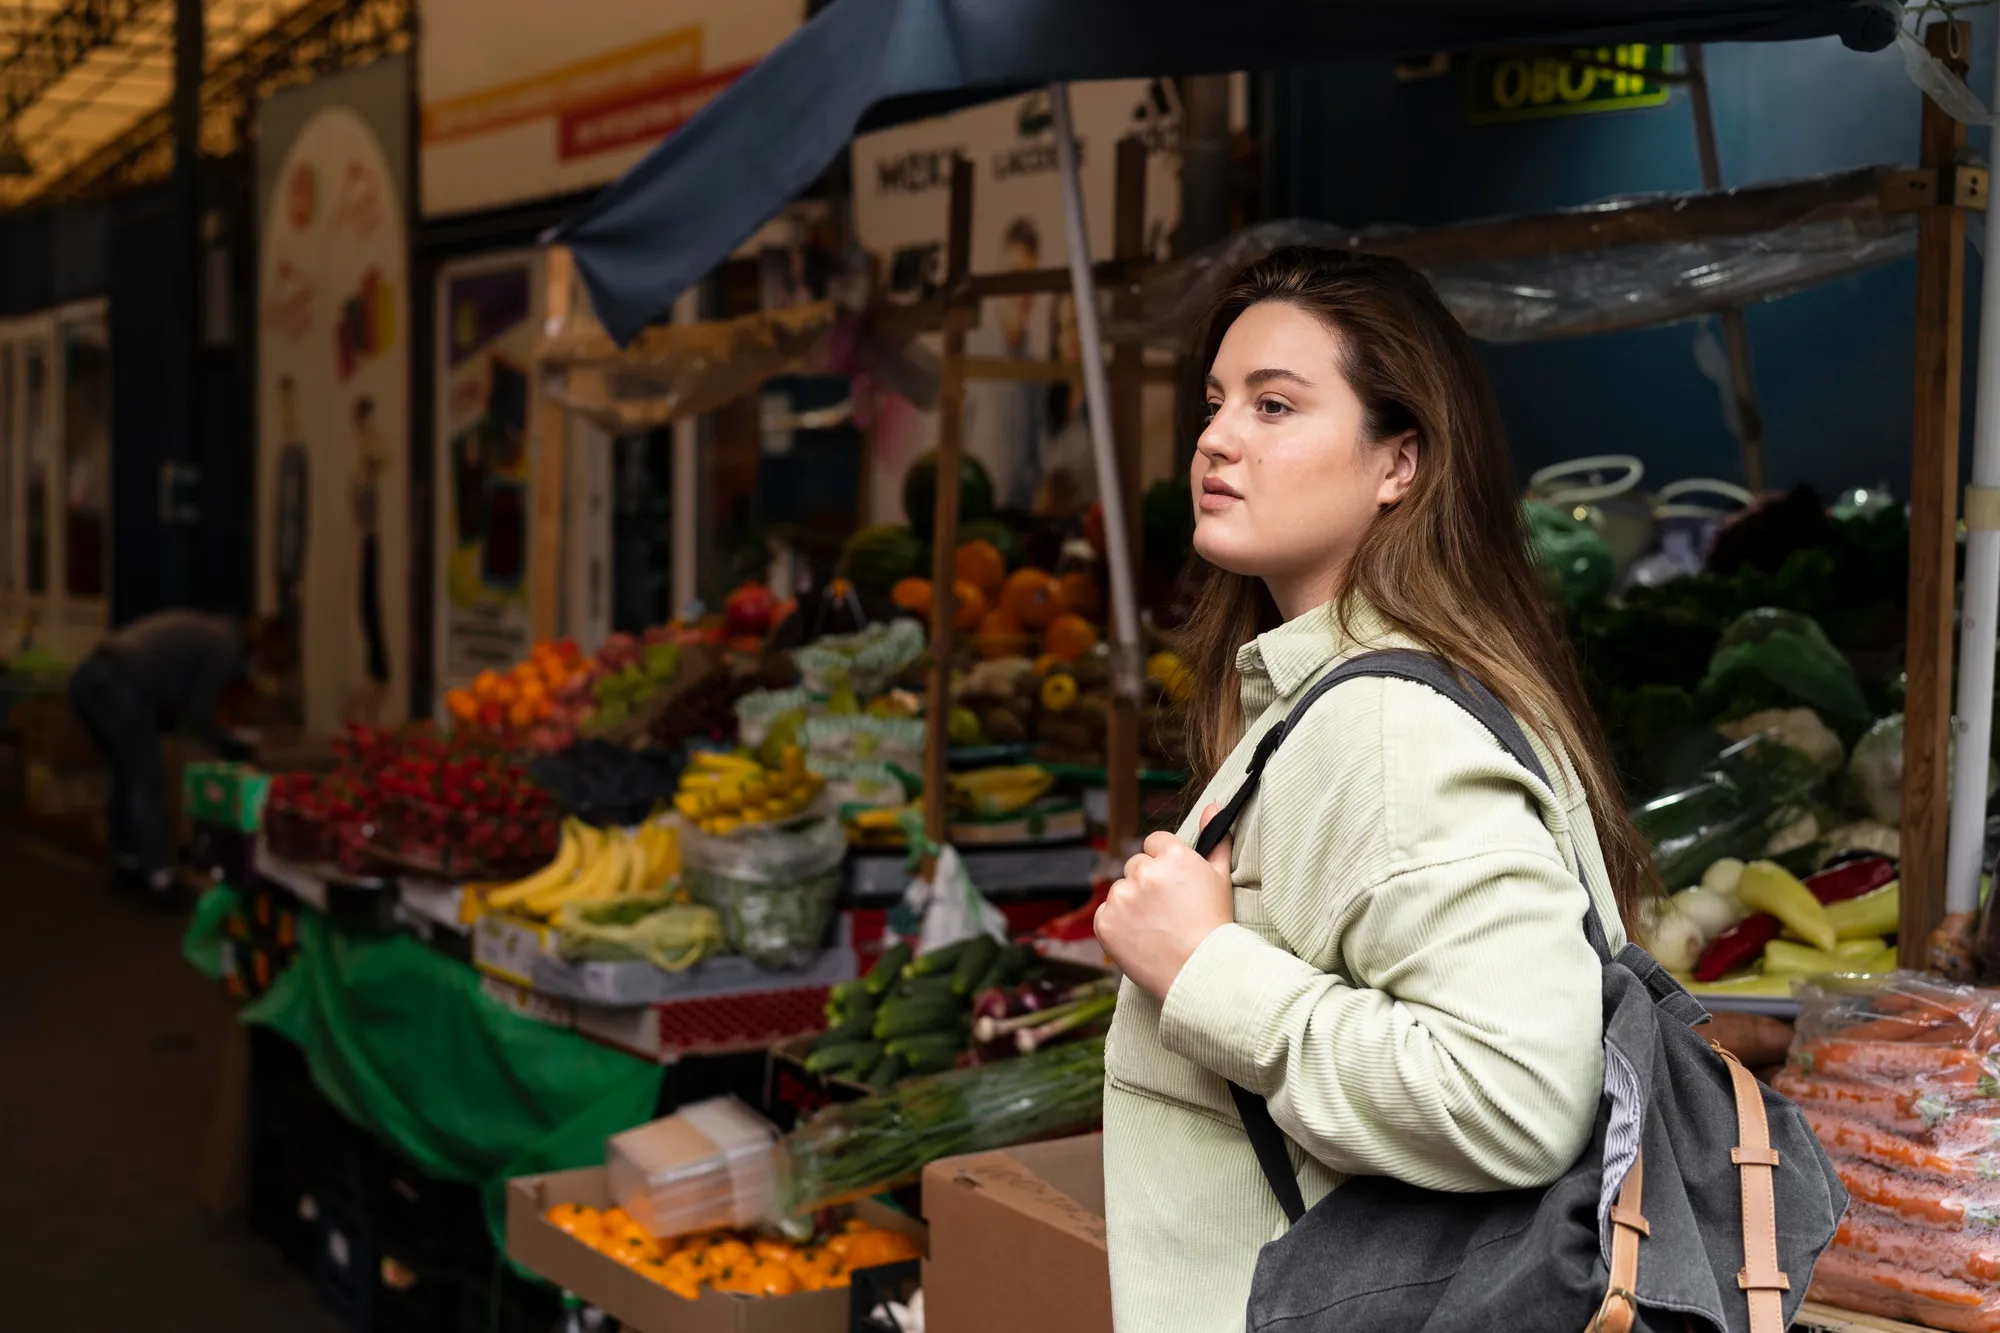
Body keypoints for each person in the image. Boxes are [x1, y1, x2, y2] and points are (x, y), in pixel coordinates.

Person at [1093, 248, 1653, 1333]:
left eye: (1274, 405)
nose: (1215, 438)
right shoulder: (1343, 692)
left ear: (1398, 463)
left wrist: (1206, 970)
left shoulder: (1392, 728)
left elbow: (1516, 1097)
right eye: (1216, 402)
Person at [67, 610, 289, 899]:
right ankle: (160, 877)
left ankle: (127, 863)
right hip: (120, 685)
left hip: (88, 678)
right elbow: (198, 717)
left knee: (126, 773)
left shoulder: (209, 629)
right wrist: (235, 746)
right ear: (259, 648)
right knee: (146, 780)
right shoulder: (224, 647)